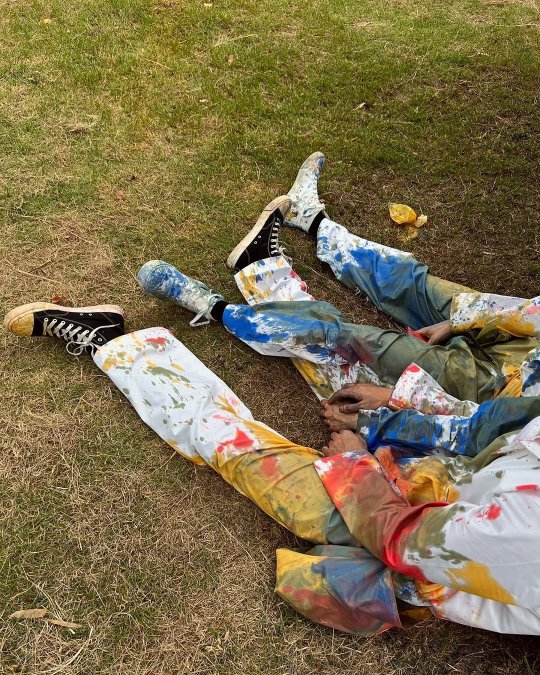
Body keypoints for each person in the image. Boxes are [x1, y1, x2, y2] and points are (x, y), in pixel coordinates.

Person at [4, 293, 540, 636]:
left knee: (237, 450)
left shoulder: (526, 530)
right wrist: (396, 406)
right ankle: (250, 280)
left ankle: (110, 341)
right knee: (348, 368)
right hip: (461, 481)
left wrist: (354, 462)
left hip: (420, 542)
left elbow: (402, 540)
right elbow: (492, 426)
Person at [135, 152, 540, 443]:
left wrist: (395, 401)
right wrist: (463, 319)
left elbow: (493, 429)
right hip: (523, 339)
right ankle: (311, 220)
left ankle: (214, 306)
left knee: (354, 343)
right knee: (414, 283)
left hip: (492, 396)